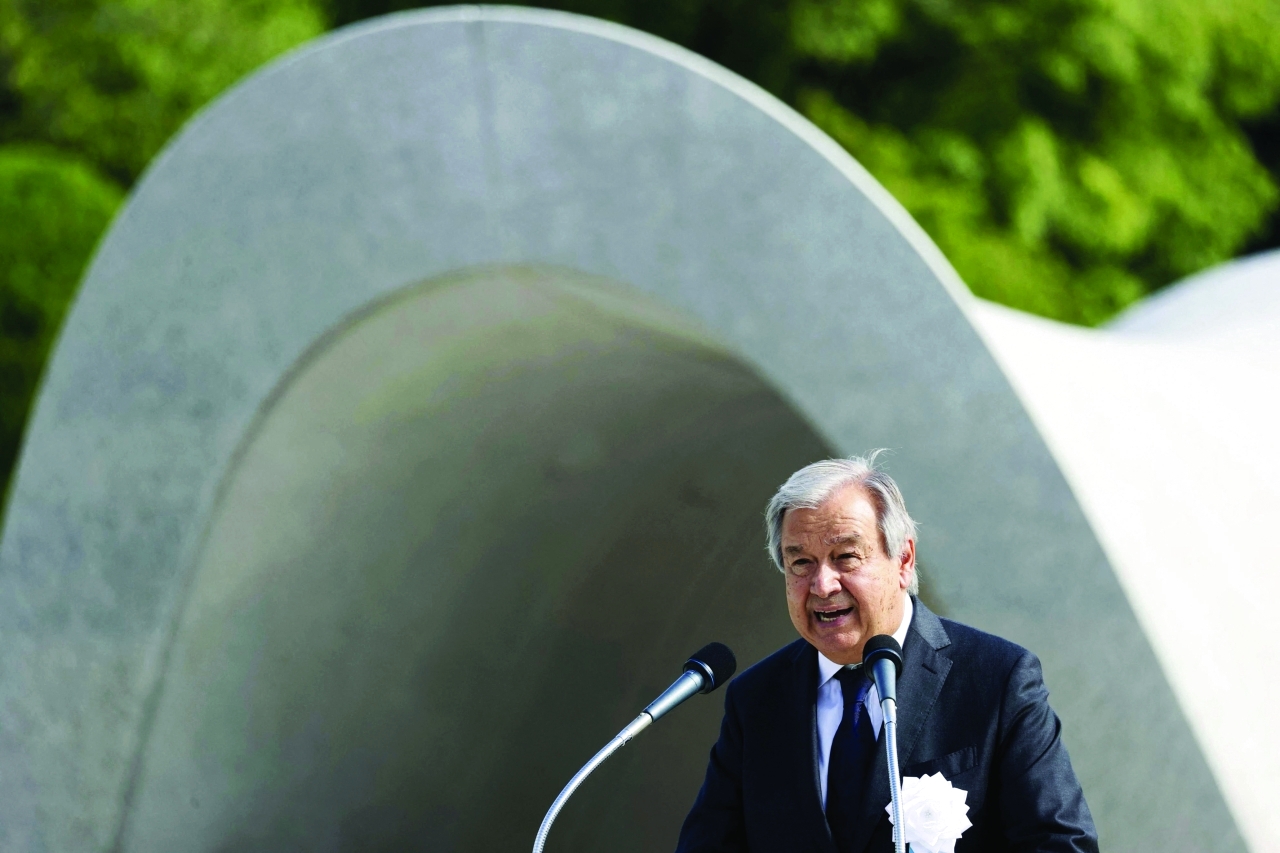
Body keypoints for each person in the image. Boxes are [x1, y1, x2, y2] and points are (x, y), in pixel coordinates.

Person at [674, 456, 1099, 853]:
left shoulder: (997, 678)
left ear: (904, 560)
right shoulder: (757, 699)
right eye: (800, 563)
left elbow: (1061, 844)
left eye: (846, 557)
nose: (822, 585)